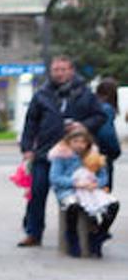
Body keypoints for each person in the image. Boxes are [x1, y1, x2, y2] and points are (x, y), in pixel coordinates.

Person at [19, 56, 109, 247]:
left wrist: (82, 126)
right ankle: (34, 233)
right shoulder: (42, 94)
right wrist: (27, 148)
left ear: (71, 70)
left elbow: (100, 116)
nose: (59, 73)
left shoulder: (84, 93)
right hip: (45, 152)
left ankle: (82, 232)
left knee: (78, 193)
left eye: (63, 69)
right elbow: (31, 122)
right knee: (37, 193)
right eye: (55, 70)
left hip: (75, 156)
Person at [49, 126, 119, 258]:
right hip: (69, 189)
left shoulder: (94, 155)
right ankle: (72, 236)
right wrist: (75, 183)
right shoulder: (61, 155)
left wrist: (96, 183)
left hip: (91, 189)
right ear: (68, 142)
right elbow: (55, 178)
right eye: (75, 141)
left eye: (83, 142)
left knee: (113, 205)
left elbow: (103, 176)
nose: (79, 145)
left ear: (88, 142)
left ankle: (99, 234)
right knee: (73, 206)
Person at [95, 77, 121, 190]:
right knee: (104, 194)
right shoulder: (107, 108)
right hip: (103, 156)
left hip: (90, 153)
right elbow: (106, 133)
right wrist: (116, 151)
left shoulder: (94, 105)